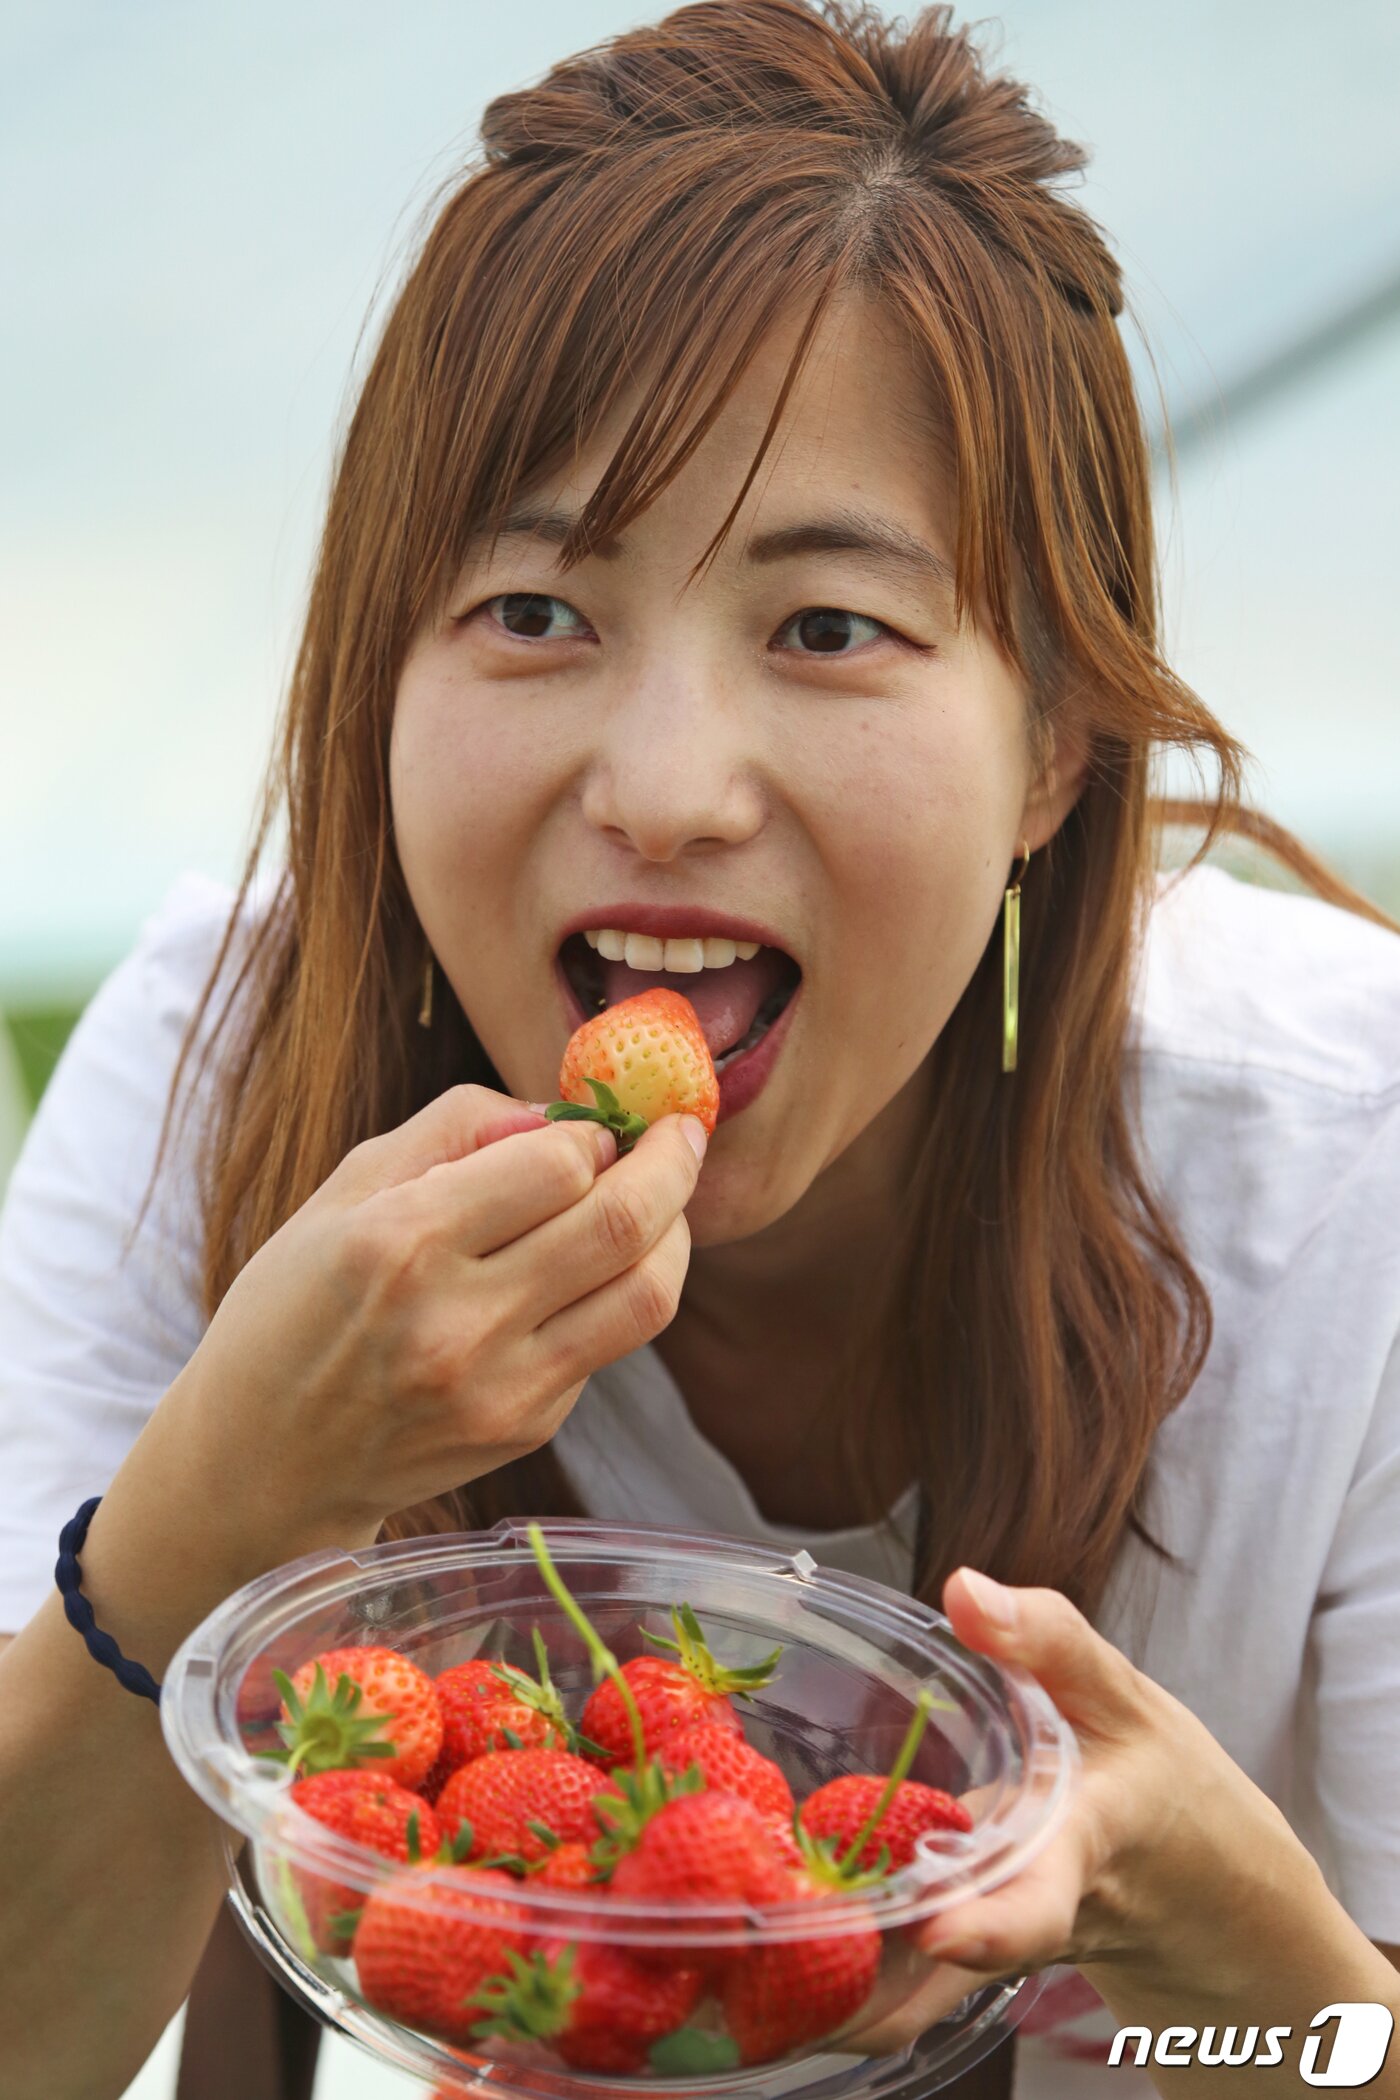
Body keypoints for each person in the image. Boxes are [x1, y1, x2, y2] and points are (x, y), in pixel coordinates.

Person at [1, 3, 1398, 2096]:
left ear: (1052, 748)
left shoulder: (1347, 1184)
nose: (664, 790)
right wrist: (215, 1495)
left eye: (829, 626)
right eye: (536, 614)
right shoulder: (216, 1079)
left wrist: (1240, 1945)